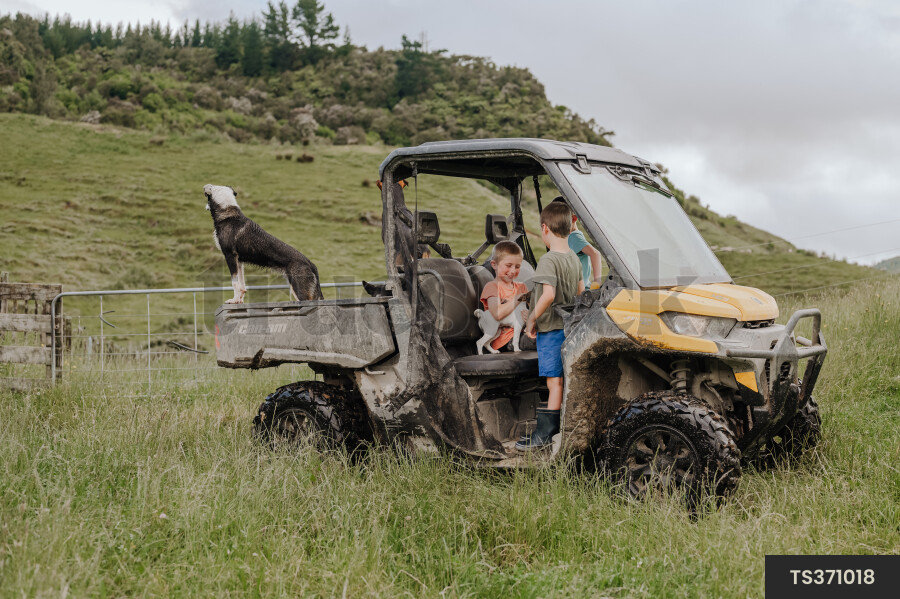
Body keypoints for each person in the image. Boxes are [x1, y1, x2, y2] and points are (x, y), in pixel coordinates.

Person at [517, 202, 584, 450]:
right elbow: (581, 293)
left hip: (551, 331)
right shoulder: (574, 260)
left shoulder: (548, 260)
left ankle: (545, 435)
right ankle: (551, 431)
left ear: (545, 229)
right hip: (568, 329)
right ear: (569, 228)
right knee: (561, 380)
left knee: (553, 382)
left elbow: (547, 295)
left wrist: (531, 320)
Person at [479, 241, 530, 352]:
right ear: (494, 265)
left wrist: (529, 316)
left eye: (517, 266)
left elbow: (529, 309)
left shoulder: (522, 287)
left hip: (524, 332)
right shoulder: (492, 287)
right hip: (506, 340)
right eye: (508, 265)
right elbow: (497, 314)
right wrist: (518, 298)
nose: (513, 271)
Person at [552, 196, 602, 287]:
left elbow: (595, 254)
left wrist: (597, 282)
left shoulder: (574, 237)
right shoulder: (572, 237)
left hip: (579, 292)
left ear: (574, 219)